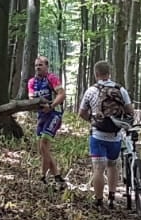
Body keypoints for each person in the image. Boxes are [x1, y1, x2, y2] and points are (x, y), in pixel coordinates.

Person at [77, 60, 134, 209]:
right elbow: (130, 111)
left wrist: (92, 120)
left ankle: (98, 200)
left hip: (97, 135)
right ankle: (112, 198)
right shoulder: (120, 89)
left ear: (96, 74)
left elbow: (81, 113)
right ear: (109, 73)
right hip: (115, 136)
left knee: (98, 168)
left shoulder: (91, 91)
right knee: (112, 166)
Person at [26, 56, 67, 186]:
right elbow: (31, 97)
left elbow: (62, 94)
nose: (38, 67)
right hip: (41, 116)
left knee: (43, 144)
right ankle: (44, 177)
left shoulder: (52, 78)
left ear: (46, 66)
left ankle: (56, 176)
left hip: (54, 114)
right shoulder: (32, 82)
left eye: (40, 65)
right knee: (42, 149)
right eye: (36, 65)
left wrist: (51, 106)